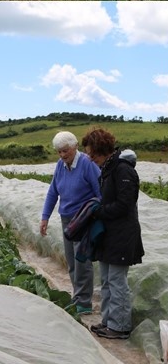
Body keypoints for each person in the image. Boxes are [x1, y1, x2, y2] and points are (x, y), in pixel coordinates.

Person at [81, 127, 145, 340]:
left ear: (103, 150)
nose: (91, 159)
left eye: (93, 154)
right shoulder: (108, 169)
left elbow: (125, 205)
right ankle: (108, 321)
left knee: (118, 281)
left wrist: (99, 211)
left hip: (122, 235)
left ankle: (120, 327)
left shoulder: (122, 170)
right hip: (110, 234)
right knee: (107, 280)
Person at [39, 131, 101, 314]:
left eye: (65, 151)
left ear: (75, 147)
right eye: (59, 152)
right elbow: (53, 192)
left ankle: (84, 302)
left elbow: (100, 191)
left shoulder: (87, 165)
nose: (62, 155)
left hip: (84, 219)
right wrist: (45, 217)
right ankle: (78, 296)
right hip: (67, 219)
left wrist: (99, 216)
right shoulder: (60, 166)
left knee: (82, 260)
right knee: (72, 260)